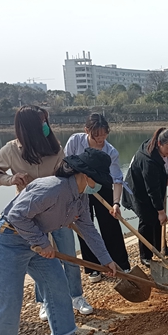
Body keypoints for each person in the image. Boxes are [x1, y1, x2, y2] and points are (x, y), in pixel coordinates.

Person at [0, 148, 117, 335]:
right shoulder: (51, 188)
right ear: (85, 175)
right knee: (7, 299)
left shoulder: (80, 197)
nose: (99, 186)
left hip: (38, 241)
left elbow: (88, 229)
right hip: (8, 240)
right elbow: (16, 216)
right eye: (99, 180)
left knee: (57, 285)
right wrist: (41, 243)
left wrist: (106, 260)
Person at [0, 106, 92, 320]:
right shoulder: (11, 150)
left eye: (46, 121)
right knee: (40, 258)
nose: (46, 126)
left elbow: (66, 175)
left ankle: (76, 296)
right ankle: (43, 301)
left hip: (59, 212)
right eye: (41, 122)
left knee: (69, 255)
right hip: (30, 216)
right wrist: (11, 179)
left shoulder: (55, 148)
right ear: (28, 128)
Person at [65, 113, 131, 282]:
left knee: (111, 225)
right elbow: (66, 165)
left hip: (103, 188)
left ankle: (120, 264)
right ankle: (93, 267)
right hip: (80, 189)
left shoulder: (111, 151)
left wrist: (116, 203)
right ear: (87, 130)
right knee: (85, 226)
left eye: (104, 134)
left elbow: (117, 179)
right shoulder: (75, 141)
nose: (101, 138)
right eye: (97, 135)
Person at [122, 127, 168, 266]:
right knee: (147, 220)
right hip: (138, 191)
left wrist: (165, 177)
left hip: (151, 186)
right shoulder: (148, 159)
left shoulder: (163, 150)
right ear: (159, 143)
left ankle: (160, 247)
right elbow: (151, 188)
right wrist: (161, 212)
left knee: (158, 220)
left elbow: (163, 167)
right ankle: (146, 255)